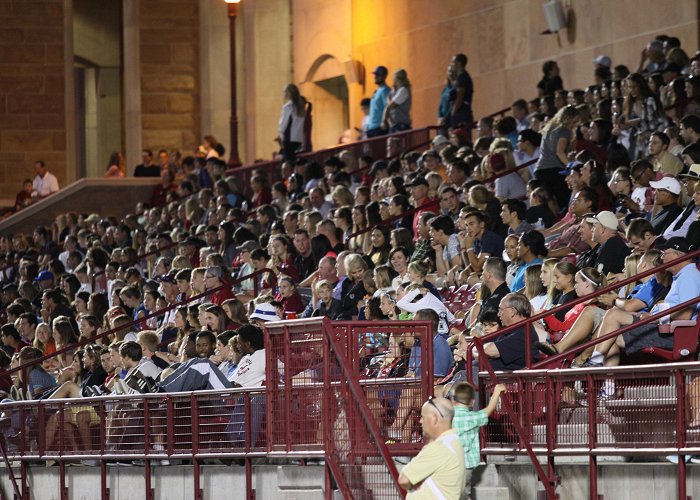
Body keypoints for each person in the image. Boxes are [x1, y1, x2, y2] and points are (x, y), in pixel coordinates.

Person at [397, 397, 465, 499]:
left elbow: (404, 479)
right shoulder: (454, 441)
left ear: (435, 418)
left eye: (423, 417)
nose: (420, 421)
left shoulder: (438, 448)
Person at [450, 382, 506, 500]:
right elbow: (489, 409)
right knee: (464, 494)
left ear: (453, 400)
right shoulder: (472, 418)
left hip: (449, 465)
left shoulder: (447, 417)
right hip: (466, 465)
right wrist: (496, 391)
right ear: (472, 402)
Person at [534, 105, 579, 209]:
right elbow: (560, 152)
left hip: (540, 170)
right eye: (574, 122)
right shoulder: (564, 130)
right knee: (565, 202)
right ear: (569, 119)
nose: (575, 125)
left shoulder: (549, 128)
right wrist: (572, 166)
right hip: (554, 171)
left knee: (548, 205)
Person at [277, 84, 306, 160]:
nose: (284, 94)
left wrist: (280, 133)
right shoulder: (300, 107)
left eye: (286, 92)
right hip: (298, 139)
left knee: (287, 162)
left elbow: (283, 125)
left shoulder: (288, 107)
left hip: (288, 139)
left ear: (290, 93)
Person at [366, 66, 391, 138]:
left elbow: (388, 107)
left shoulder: (385, 90)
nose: (375, 77)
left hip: (379, 129)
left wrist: (384, 122)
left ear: (384, 76)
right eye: (375, 75)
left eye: (378, 75)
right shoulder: (377, 91)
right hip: (371, 129)